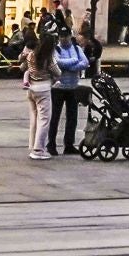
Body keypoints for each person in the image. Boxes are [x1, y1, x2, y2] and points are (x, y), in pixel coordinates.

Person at [21, 30, 57, 160]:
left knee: (34, 118)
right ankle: (38, 149)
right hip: (43, 89)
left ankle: (32, 145)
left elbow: (23, 67)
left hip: (31, 89)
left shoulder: (31, 54)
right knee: (44, 120)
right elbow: (57, 72)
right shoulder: (47, 58)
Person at [51, 29, 89, 154]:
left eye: (66, 36)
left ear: (70, 36)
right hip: (58, 88)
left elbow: (85, 63)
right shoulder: (56, 49)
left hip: (73, 87)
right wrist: (74, 61)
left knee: (72, 117)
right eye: (61, 36)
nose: (64, 39)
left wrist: (69, 68)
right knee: (54, 117)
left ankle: (69, 144)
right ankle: (51, 144)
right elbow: (57, 63)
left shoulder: (77, 49)